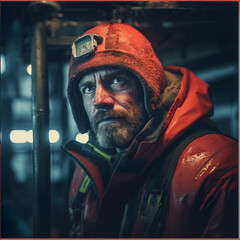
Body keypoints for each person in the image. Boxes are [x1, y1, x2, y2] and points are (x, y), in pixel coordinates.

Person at [63, 23, 238, 238]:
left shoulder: (218, 168)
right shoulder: (85, 171)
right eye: (88, 88)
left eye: (118, 80)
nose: (99, 100)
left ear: (150, 92)